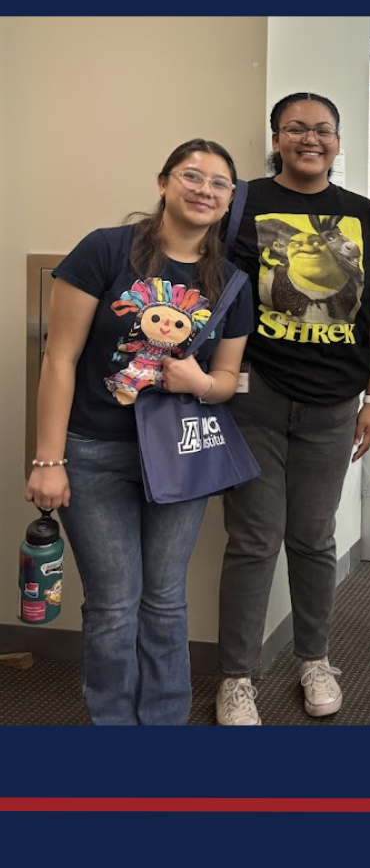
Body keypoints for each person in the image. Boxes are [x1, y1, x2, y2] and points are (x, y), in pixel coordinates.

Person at [25, 140, 254, 724]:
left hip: (178, 456)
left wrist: (196, 383)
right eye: (192, 176)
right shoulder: (105, 250)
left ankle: (164, 724)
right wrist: (48, 460)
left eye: (219, 184)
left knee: (165, 600)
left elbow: (227, 379)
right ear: (163, 183)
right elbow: (60, 359)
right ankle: (113, 727)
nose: (204, 190)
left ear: (229, 200)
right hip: (94, 452)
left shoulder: (230, 281)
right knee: (113, 604)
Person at [216, 92, 370, 725]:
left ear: (339, 143)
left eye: (323, 131)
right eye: (296, 129)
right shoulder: (243, 203)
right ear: (276, 136)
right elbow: (217, 294)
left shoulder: (363, 216)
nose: (310, 139)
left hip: (333, 404)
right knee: (252, 540)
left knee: (314, 539)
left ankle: (314, 659)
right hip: (256, 396)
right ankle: (237, 677)